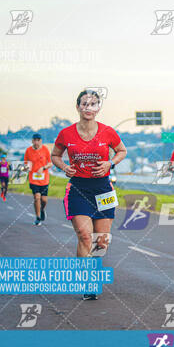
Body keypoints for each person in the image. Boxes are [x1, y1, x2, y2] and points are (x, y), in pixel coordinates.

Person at [51, 89, 127, 300]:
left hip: (103, 189)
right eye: (84, 103)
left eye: (93, 104)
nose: (88, 108)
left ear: (98, 108)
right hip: (78, 189)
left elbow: (122, 151)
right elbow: (55, 155)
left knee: (101, 241)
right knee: (85, 236)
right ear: (78, 107)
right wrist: (64, 167)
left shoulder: (108, 132)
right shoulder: (66, 133)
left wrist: (110, 163)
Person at [24, 133, 52, 226]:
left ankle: (42, 209)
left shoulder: (45, 149)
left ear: (41, 141)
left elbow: (50, 163)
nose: (36, 142)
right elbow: (26, 164)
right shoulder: (28, 151)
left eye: (38, 140)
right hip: (33, 179)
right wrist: (24, 169)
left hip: (44, 180)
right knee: (37, 197)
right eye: (34, 140)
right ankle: (38, 217)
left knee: (44, 200)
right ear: (32, 141)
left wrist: (43, 168)